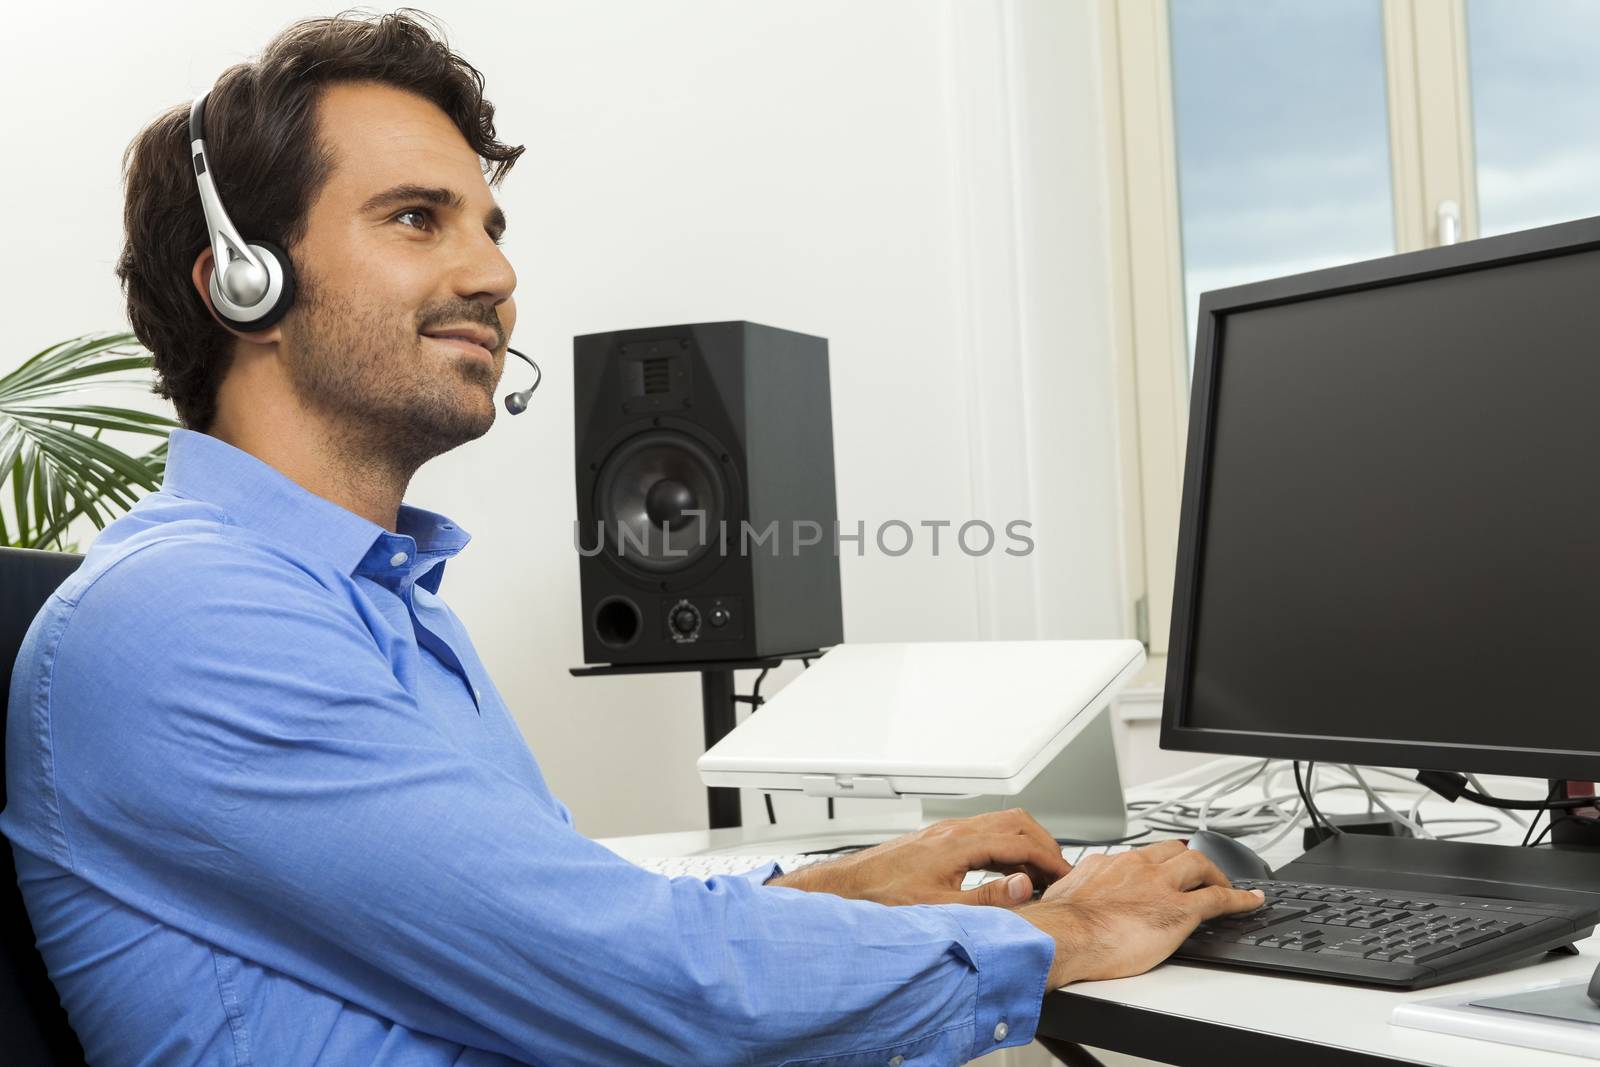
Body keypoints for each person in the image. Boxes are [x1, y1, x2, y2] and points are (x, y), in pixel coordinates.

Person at [0, 11, 1263, 1065]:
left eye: (490, 227)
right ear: (241, 280)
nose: (495, 273)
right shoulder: (185, 617)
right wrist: (1064, 934)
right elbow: (641, 983)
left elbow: (556, 928)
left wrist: (846, 885)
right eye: (415, 218)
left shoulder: (381, 598)